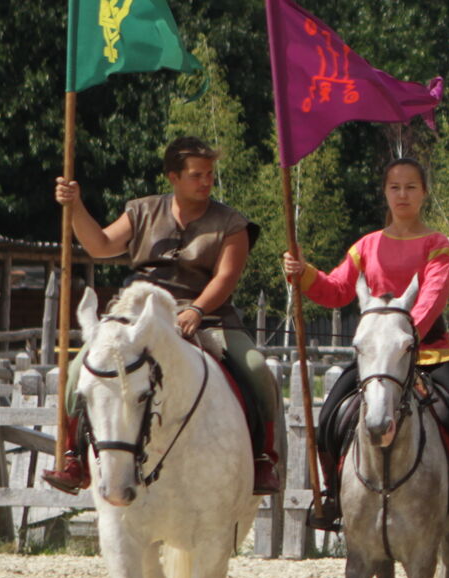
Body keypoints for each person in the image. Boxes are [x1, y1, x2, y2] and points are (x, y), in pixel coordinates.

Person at [47, 136, 280, 495]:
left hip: (208, 315)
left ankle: (264, 459)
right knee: (79, 370)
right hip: (136, 313)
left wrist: (197, 309)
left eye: (209, 174)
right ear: (173, 176)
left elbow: (226, 277)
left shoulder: (232, 222)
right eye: (196, 175)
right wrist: (75, 206)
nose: (206, 182)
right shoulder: (142, 211)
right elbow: (101, 246)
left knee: (257, 370)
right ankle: (72, 457)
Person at [282, 157, 449, 534]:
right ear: (384, 192)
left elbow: (431, 298)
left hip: (430, 352)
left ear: (424, 193)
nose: (403, 194)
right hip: (377, 359)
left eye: (411, 187)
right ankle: (333, 492)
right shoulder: (365, 246)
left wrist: (405, 336)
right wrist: (306, 274)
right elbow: (336, 291)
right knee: (330, 414)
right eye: (395, 187)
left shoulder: (437, 245)